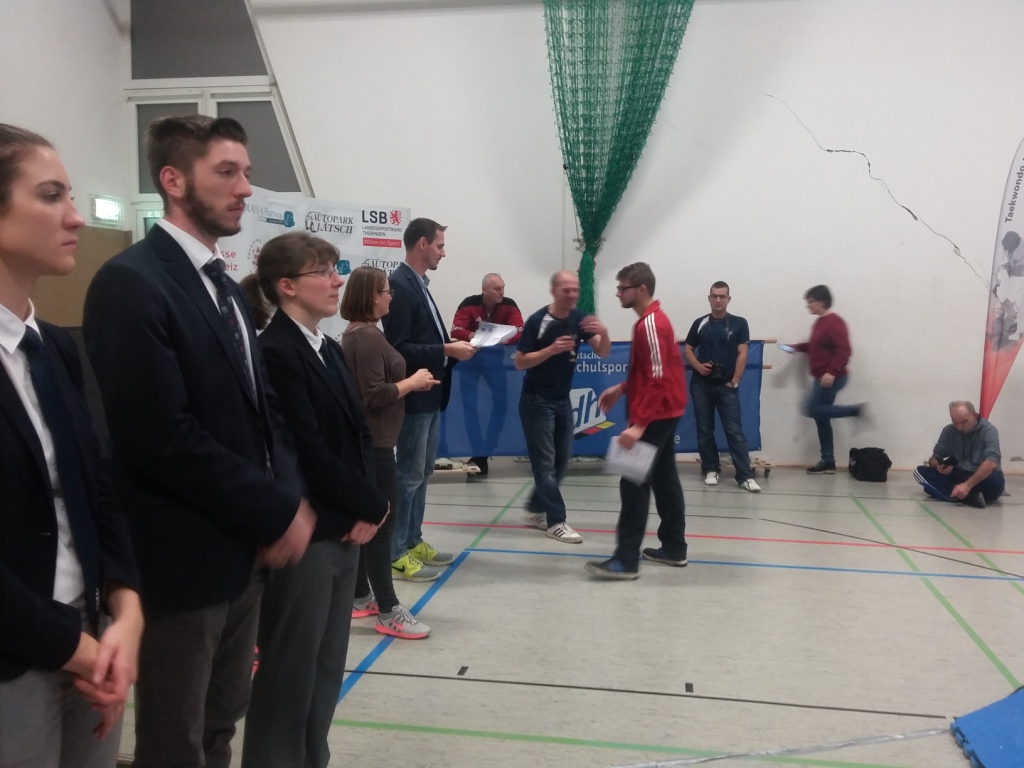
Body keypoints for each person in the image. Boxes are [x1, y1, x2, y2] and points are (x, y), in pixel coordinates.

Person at [83, 115, 315, 768]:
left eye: (246, 173)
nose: (245, 188)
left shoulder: (227, 289)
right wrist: (274, 510)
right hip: (180, 561)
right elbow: (161, 438)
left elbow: (264, 412)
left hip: (243, 555)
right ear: (174, 180)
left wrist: (288, 494)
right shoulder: (132, 283)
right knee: (175, 740)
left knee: (220, 725)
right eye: (227, 172)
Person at [0, 124, 143, 768]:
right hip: (18, 660)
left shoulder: (55, 346)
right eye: (51, 196)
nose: (77, 218)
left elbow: (97, 488)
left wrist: (126, 612)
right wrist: (78, 649)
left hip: (92, 639)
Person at [238, 233, 391, 767]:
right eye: (322, 272)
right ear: (286, 286)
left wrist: (369, 506)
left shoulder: (327, 347)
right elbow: (304, 450)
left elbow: (358, 435)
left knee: (325, 670)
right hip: (310, 534)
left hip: (346, 529)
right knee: (290, 674)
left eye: (334, 268)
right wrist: (369, 505)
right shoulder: (276, 352)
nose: (336, 280)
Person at [341, 265, 440, 628]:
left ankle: (360, 594)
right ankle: (388, 609)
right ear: (372, 297)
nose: (391, 298)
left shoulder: (362, 334)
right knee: (382, 525)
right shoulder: (365, 338)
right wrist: (411, 382)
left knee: (371, 521)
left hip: (377, 441)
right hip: (376, 444)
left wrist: (410, 383)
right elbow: (373, 395)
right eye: (386, 291)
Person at [382, 218, 476, 575]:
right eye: (440, 245)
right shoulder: (400, 285)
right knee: (408, 475)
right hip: (414, 396)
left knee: (421, 472)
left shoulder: (418, 284)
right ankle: (395, 551)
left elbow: (424, 338)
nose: (443, 253)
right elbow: (398, 346)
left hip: (431, 393)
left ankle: (412, 539)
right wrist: (446, 349)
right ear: (422, 244)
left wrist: (451, 348)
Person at [586, 263, 688, 579]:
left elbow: (658, 379)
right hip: (665, 411)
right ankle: (674, 548)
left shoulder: (651, 325)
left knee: (632, 484)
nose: (618, 293)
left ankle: (626, 560)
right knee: (665, 480)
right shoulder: (648, 322)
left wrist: (640, 424)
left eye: (623, 288)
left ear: (641, 289)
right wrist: (622, 388)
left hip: (657, 415)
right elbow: (651, 372)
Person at [515, 270, 610, 544]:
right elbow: (520, 361)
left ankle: (536, 507)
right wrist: (551, 350)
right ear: (553, 291)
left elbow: (603, 351)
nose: (571, 295)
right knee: (544, 464)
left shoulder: (579, 318)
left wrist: (603, 332)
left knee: (561, 461)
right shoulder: (538, 321)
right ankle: (556, 521)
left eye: (575, 290)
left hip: (562, 400)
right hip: (536, 401)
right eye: (566, 290)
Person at [684, 281, 760, 492]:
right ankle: (710, 469)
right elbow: (688, 349)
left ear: (728, 299)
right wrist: (698, 366)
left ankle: (745, 476)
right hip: (701, 385)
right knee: (704, 430)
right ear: (709, 298)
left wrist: (735, 380)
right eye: (714, 296)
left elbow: (742, 353)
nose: (718, 300)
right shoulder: (699, 323)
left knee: (735, 432)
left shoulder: (739, 323)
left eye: (722, 296)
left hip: (727, 385)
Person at [450, 272, 524, 476]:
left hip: (495, 364)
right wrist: (475, 335)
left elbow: (519, 330)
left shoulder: (509, 304)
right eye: (497, 288)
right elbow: (455, 330)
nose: (502, 292)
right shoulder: (469, 303)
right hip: (469, 364)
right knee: (470, 407)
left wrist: (500, 338)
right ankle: (478, 450)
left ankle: (484, 451)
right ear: (484, 290)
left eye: (503, 288)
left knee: (502, 404)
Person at [787, 284, 863, 474]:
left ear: (821, 302)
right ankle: (828, 460)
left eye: (811, 302)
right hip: (822, 378)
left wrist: (831, 372)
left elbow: (844, 350)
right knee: (821, 417)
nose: (808, 305)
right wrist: (797, 347)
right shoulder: (820, 322)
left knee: (810, 409)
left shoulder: (835, 322)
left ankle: (855, 411)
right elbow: (815, 346)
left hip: (832, 378)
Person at [913, 401, 1004, 509]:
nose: (959, 427)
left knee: (994, 481)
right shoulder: (948, 431)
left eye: (964, 422)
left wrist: (967, 486)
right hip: (959, 474)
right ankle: (969, 498)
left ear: (974, 415)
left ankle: (949, 492)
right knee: (920, 471)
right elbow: (935, 457)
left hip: (981, 478)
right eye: (955, 422)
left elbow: (991, 463)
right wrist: (938, 465)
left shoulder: (989, 430)